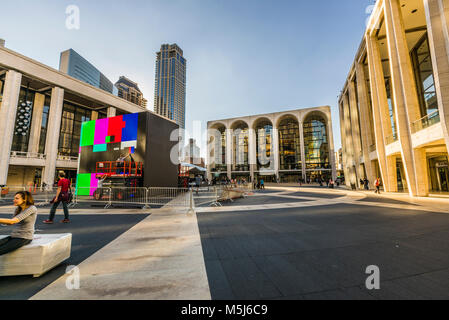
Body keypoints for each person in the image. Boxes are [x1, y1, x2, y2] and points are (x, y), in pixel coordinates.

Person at [0, 191, 37, 256]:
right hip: (14, 236)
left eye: (17, 198)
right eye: (14, 198)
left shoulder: (32, 208)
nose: (14, 200)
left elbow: (13, 221)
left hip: (24, 237)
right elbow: (10, 223)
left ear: (25, 199)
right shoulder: (18, 209)